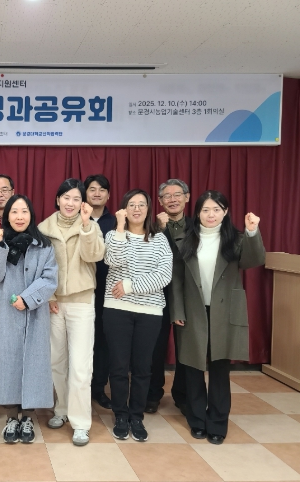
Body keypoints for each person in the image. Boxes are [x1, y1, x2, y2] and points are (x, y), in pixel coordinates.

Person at [171, 191, 264, 445]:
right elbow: (177, 279)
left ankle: (217, 423)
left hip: (224, 312)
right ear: (197, 213)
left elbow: (255, 260)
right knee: (193, 368)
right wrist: (177, 311)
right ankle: (197, 420)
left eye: (216, 209)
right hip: (193, 311)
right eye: (205, 210)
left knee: (220, 369)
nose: (210, 215)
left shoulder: (236, 239)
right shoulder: (186, 240)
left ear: (225, 212)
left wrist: (252, 232)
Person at [0, 195, 58, 444]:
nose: (19, 216)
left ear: (31, 215)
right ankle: (11, 417)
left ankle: (28, 418)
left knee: (33, 364)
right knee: (8, 364)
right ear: (7, 216)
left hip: (34, 314)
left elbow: (49, 279)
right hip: (6, 315)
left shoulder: (43, 245)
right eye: (14, 212)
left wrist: (27, 298)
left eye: (24, 211)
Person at [39, 179, 105, 446]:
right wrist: (49, 296)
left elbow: (95, 256)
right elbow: (39, 267)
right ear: (58, 199)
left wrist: (87, 226)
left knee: (80, 365)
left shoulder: (91, 226)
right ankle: (62, 409)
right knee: (56, 361)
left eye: (76, 198)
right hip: (53, 303)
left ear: (82, 203)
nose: (70, 203)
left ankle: (80, 423)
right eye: (66, 197)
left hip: (82, 302)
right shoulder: (44, 228)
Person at [103, 189, 172, 442]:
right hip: (116, 309)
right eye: (131, 204)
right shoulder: (113, 235)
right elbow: (113, 260)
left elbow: (164, 275)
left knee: (143, 368)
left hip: (150, 311)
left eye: (142, 204)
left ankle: (136, 416)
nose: (137, 209)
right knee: (119, 367)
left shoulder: (159, 239)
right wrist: (120, 228)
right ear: (123, 208)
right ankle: (121, 415)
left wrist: (130, 285)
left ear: (149, 209)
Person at [145, 179, 191, 414]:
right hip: (157, 293)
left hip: (188, 295)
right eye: (167, 196)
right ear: (160, 201)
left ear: (187, 197)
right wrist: (160, 230)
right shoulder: (149, 227)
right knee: (155, 346)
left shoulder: (198, 226)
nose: (172, 200)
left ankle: (183, 394)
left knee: (188, 347)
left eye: (177, 194)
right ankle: (152, 394)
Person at [84, 174, 115, 410]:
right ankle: (78, 389)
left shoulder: (116, 222)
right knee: (80, 342)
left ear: (108, 195)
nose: (97, 193)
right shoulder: (75, 219)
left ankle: (98, 388)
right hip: (81, 291)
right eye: (92, 189)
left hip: (108, 291)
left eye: (101, 189)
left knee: (103, 342)